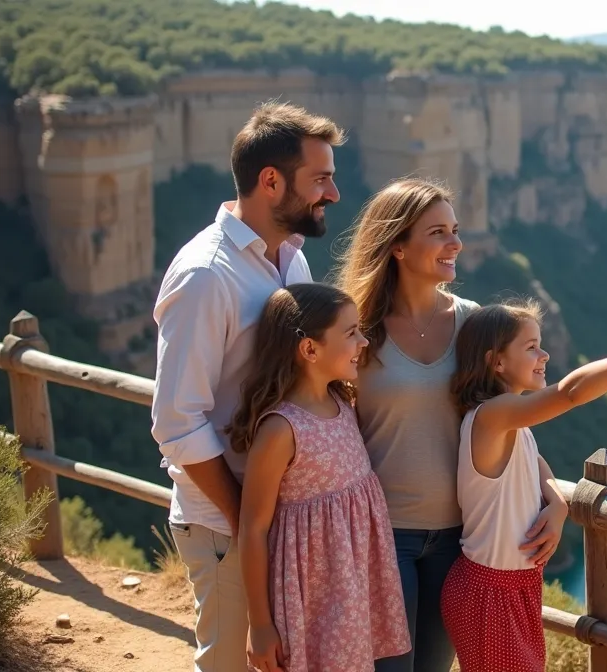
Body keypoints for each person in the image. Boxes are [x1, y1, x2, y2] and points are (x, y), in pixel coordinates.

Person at [333, 176, 569, 672]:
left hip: (461, 541)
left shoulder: (472, 324)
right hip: (382, 534)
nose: (456, 243)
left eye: (455, 230)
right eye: (438, 232)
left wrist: (555, 496)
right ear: (397, 245)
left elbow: (507, 425)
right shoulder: (359, 331)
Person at [149, 101, 345, 671]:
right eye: (320, 179)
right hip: (225, 524)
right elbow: (177, 423)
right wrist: (247, 525)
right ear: (271, 181)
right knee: (231, 664)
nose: (333, 193)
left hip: (279, 522)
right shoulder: (206, 276)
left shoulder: (292, 261)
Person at [442, 298, 607, 671]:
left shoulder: (506, 422)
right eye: (531, 347)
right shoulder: (492, 416)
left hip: (505, 588)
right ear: (497, 361)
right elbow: (571, 393)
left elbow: (534, 461)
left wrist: (558, 502)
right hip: (492, 595)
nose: (545, 355)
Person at [225, 282, 411, 672]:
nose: (363, 341)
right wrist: (260, 623)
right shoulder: (281, 429)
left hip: (352, 585)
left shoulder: (342, 401)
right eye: (351, 333)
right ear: (310, 349)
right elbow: (253, 528)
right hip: (313, 595)